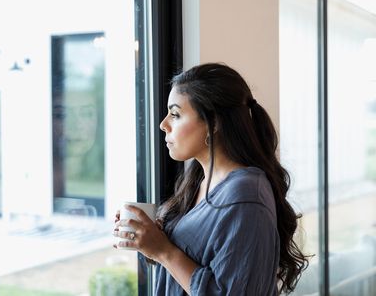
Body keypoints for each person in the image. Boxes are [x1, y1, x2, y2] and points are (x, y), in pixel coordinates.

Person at [113, 63, 308, 295]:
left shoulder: (245, 197)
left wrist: (164, 251)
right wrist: (151, 240)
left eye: (175, 114)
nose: (163, 124)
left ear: (214, 122)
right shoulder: (199, 180)